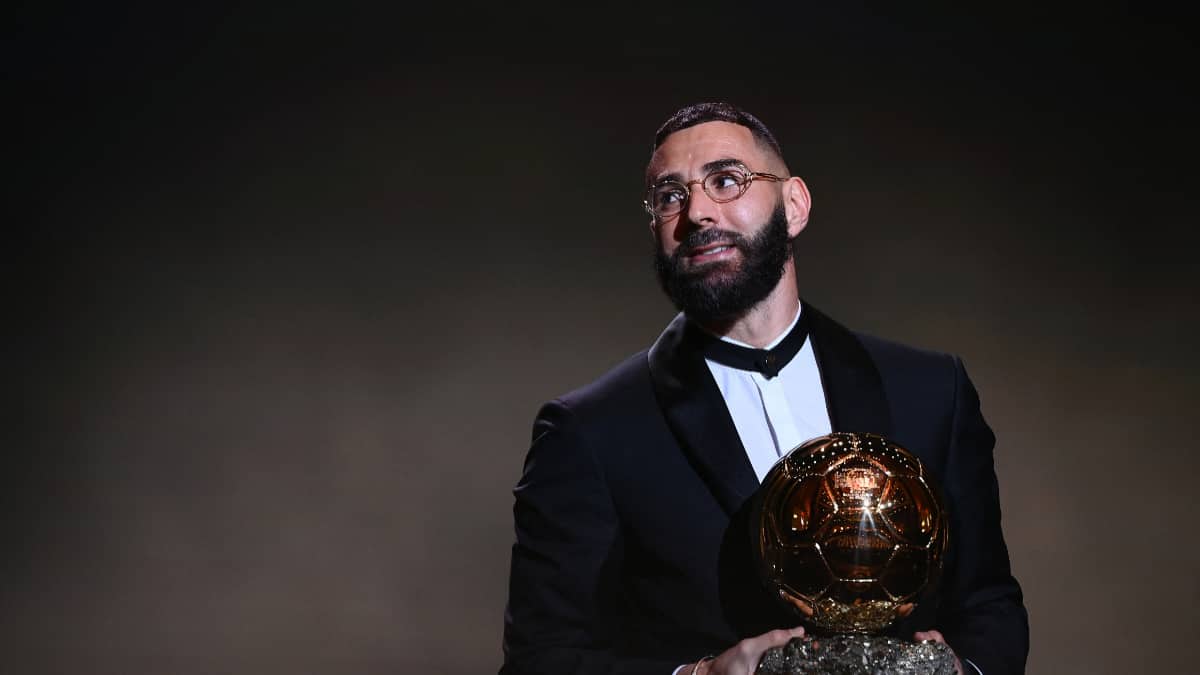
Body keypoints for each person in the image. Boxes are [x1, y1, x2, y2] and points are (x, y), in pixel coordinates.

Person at [500, 102, 1028, 675]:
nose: (697, 212)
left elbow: (991, 607)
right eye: (670, 196)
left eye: (727, 180)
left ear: (794, 205)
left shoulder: (932, 391)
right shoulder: (590, 432)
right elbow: (539, 660)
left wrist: (962, 671)